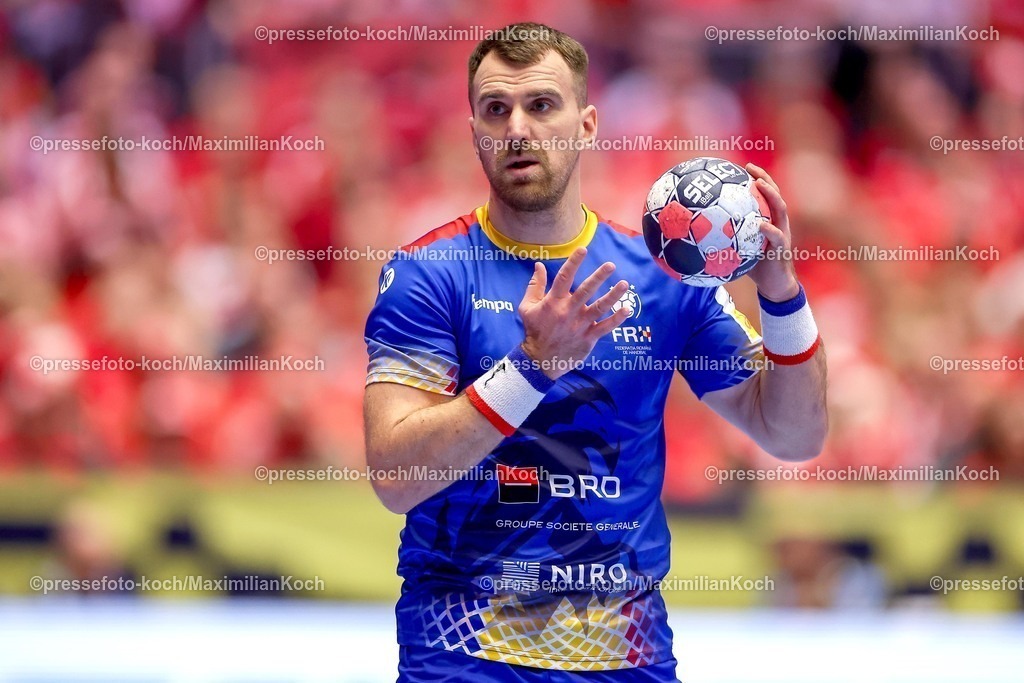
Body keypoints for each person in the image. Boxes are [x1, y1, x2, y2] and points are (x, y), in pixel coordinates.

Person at [363, 22, 827, 682]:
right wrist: (533, 367)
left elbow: (796, 433)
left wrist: (782, 296)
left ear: (586, 125)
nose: (518, 128)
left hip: (626, 659)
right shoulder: (429, 275)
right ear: (474, 132)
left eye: (541, 105)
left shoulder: (662, 277)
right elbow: (395, 476)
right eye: (497, 110)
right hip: (463, 656)